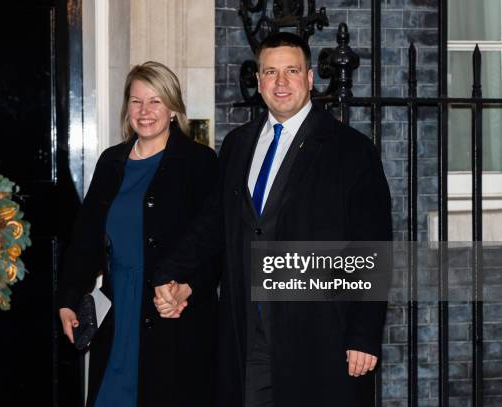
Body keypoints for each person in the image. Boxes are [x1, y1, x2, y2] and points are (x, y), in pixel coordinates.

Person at [152, 32, 392, 407]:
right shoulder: (236, 145)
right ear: (259, 81)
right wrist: (172, 274)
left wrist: (362, 334)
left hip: (319, 335)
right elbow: (214, 226)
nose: (281, 82)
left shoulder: (352, 151)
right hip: (246, 335)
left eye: (291, 71)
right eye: (270, 72)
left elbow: (372, 246)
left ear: (310, 78)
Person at [58, 61, 220, 407]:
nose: (145, 112)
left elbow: (216, 241)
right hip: (118, 313)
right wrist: (69, 298)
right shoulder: (111, 162)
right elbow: (85, 239)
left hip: (174, 314)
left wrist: (188, 285)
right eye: (136, 101)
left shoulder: (199, 162)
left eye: (155, 101)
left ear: (173, 109)